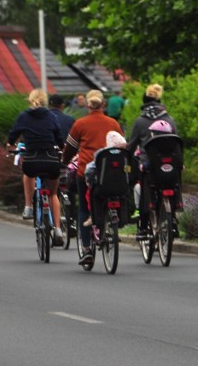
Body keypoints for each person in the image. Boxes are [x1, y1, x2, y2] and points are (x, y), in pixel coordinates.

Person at [62, 89, 124, 265]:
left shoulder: (80, 124)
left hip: (86, 173)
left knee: (83, 208)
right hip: (111, 173)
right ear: (103, 104)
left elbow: (70, 148)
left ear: (88, 105)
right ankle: (112, 224)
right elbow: (121, 145)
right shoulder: (113, 123)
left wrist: (65, 161)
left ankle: (87, 249)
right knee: (110, 196)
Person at [7, 89, 65, 247]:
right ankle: (58, 230)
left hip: (32, 160)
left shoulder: (23, 116)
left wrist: (10, 145)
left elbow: (13, 136)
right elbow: (59, 138)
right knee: (53, 194)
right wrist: (61, 147)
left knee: (28, 174)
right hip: (51, 159)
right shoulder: (52, 116)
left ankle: (28, 207)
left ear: (30, 100)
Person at [127, 84, 178, 240]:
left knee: (145, 193)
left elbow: (132, 145)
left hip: (149, 165)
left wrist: (128, 159)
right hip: (169, 164)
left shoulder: (140, 121)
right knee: (174, 184)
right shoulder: (170, 119)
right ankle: (174, 220)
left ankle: (143, 227)